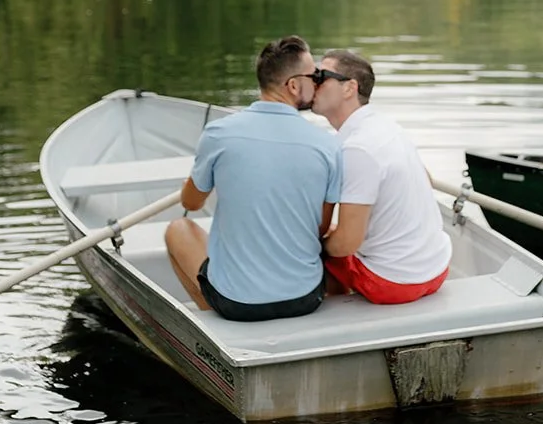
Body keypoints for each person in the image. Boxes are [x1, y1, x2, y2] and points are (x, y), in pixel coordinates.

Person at [164, 35, 342, 321]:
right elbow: (319, 228)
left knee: (177, 228)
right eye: (314, 76)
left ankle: (216, 317)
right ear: (294, 85)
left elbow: (192, 203)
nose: (318, 82)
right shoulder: (328, 145)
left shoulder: (218, 134)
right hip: (306, 298)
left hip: (237, 305)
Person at [311, 49, 452, 304]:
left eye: (321, 76)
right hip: (437, 269)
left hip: (393, 283)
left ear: (349, 88)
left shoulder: (357, 148)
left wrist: (317, 244)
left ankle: (337, 314)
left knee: (312, 250)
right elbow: (426, 180)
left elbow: (346, 245)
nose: (313, 82)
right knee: (334, 233)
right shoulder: (386, 126)